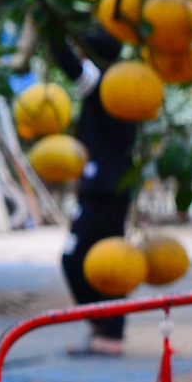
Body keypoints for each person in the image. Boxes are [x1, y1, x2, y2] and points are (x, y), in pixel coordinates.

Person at [48, 29, 137, 354]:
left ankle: (108, 330)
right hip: (113, 187)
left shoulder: (102, 86)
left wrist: (53, 27)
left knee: (77, 259)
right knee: (104, 260)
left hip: (103, 189)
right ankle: (107, 329)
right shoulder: (126, 88)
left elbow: (66, 61)